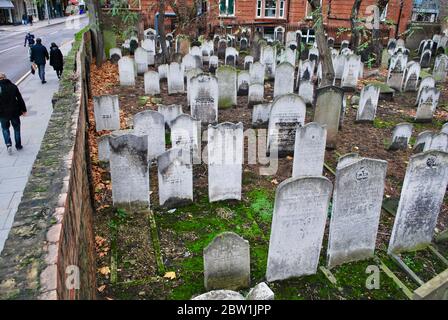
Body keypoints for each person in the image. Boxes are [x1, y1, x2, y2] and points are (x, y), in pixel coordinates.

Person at [0, 73, 27, 155]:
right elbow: (19, 98)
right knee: (16, 128)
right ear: (5, 77)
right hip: (14, 112)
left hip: (2, 113)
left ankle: (8, 144)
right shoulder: (13, 86)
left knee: (5, 129)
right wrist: (23, 109)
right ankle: (18, 145)